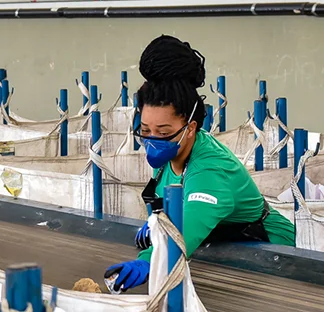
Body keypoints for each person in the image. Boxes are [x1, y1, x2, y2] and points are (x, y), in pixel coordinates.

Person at [105, 35, 295, 292]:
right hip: (224, 253)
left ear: (190, 128)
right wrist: (155, 225)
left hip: (276, 256)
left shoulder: (210, 169)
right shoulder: (169, 156)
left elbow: (186, 232)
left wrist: (147, 261)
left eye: (163, 132)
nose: (152, 140)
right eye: (146, 130)